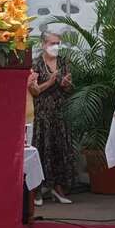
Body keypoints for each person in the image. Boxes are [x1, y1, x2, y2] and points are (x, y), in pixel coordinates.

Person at [28, 31, 74, 205]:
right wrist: (50, 82)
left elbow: (69, 87)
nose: (55, 46)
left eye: (58, 43)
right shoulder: (36, 64)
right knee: (42, 149)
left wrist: (65, 84)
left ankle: (58, 188)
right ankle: (38, 190)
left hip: (60, 113)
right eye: (52, 43)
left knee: (60, 149)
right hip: (43, 114)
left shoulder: (63, 62)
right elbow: (34, 91)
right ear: (43, 45)